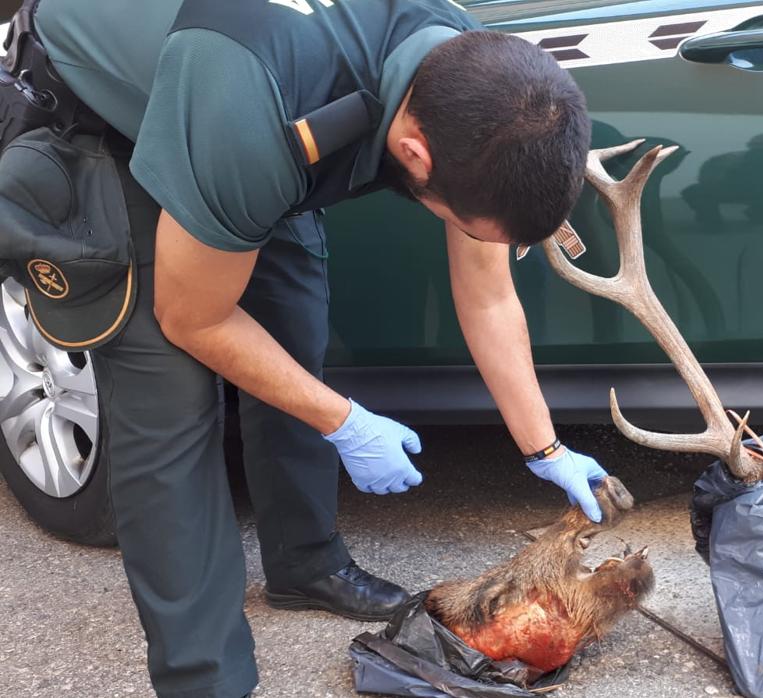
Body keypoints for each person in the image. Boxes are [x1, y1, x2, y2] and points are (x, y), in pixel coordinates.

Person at [3, 0, 606, 695]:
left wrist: (545, 448)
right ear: (415, 152)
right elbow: (194, 319)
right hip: (111, 119)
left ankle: (305, 564)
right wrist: (343, 421)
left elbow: (491, 296)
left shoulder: (474, 79)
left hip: (247, 112)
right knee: (168, 410)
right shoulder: (251, 111)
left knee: (290, 329)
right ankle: (205, 680)